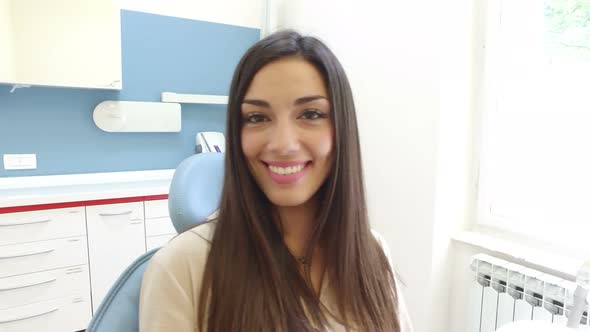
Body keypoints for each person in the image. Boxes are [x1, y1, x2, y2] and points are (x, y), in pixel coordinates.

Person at [139, 30, 414, 332]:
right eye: (257, 118)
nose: (283, 144)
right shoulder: (182, 267)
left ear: (341, 130)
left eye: (310, 113)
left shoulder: (372, 250)